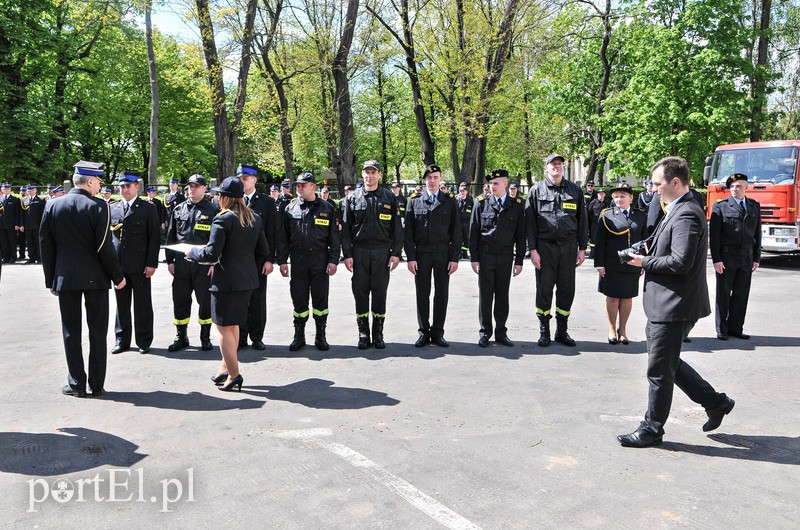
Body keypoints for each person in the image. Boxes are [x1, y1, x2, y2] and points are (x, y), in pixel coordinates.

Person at [618, 156, 735, 448]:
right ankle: (716, 402)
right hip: (665, 303)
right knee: (666, 362)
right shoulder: (676, 208)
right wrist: (643, 248)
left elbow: (681, 262)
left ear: (675, 182)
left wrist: (644, 261)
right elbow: (663, 243)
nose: (653, 189)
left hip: (674, 305)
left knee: (659, 369)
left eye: (658, 184)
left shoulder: (687, 214)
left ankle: (652, 428)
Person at [40, 161, 126, 397]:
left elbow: (46, 245)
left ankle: (77, 383)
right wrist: (117, 277)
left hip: (65, 278)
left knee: (71, 332)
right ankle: (96, 384)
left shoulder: (53, 205)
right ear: (90, 181)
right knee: (97, 332)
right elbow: (104, 247)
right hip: (95, 279)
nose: (100, 185)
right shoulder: (99, 206)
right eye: (98, 181)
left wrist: (51, 280)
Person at [186, 177, 270, 392]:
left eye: (219, 195)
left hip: (225, 281)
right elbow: (262, 251)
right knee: (233, 326)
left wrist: (191, 252)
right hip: (247, 281)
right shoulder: (254, 218)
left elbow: (211, 253)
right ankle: (225, 367)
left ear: (225, 198)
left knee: (223, 328)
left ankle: (234, 375)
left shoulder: (223, 219)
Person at [526, 153, 589, 347]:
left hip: (568, 247)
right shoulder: (536, 191)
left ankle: (562, 331)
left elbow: (583, 222)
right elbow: (530, 224)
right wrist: (533, 250)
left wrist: (582, 248)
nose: (557, 167)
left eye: (560, 164)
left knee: (566, 289)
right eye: (553, 164)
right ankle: (544, 330)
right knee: (544, 289)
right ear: (546, 167)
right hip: (544, 247)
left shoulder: (574, 190)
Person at [341, 160, 403, 349]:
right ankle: (363, 333)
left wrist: (396, 253)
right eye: (366, 172)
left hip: (382, 251)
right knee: (360, 293)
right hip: (359, 251)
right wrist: (348, 254)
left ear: (379, 175)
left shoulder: (388, 197)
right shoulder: (353, 198)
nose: (369, 175)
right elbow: (345, 230)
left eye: (373, 172)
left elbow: (396, 229)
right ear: (362, 174)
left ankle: (378, 333)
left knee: (379, 292)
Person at [277, 172, 340, 351]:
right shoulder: (290, 209)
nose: (299, 188)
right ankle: (299, 335)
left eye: (303, 185)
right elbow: (283, 238)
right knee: (299, 299)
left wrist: (334, 260)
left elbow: (334, 237)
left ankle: (320, 335)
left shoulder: (327, 208)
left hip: (320, 260)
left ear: (313, 187)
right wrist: (282, 261)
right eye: (297, 185)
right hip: (298, 260)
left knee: (320, 300)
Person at [405, 164, 461, 347]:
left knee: (441, 294)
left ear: (440, 178)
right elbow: (408, 233)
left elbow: (456, 232)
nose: (432, 181)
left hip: (443, 254)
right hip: (421, 254)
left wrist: (454, 258)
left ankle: (438, 332)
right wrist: (411, 257)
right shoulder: (414, 201)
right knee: (422, 293)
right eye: (429, 178)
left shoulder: (450, 201)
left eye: (435, 177)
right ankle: (423, 332)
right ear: (424, 180)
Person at [469, 169, 525, 347]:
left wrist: (519, 261)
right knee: (486, 295)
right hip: (485, 256)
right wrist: (474, 258)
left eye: (496, 183)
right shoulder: (481, 203)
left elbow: (520, 235)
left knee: (502, 295)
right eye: (491, 184)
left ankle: (501, 332)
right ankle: (485, 332)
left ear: (505, 184)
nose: (492, 187)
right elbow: (473, 232)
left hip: (505, 256)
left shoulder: (516, 205)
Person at [165, 174, 219, 352]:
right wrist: (170, 260)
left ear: (205, 189)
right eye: (190, 186)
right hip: (181, 263)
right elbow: (171, 236)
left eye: (196, 186)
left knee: (204, 301)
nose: (192, 189)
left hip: (203, 264)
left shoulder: (213, 211)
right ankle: (181, 336)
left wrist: (214, 263)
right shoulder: (178, 209)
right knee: (180, 299)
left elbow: (217, 241)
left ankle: (205, 336)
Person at [109, 170, 160, 354]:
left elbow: (154, 238)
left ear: (136, 186)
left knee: (143, 304)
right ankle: (122, 340)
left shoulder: (147, 208)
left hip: (140, 265)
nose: (124, 190)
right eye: (121, 186)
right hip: (119, 266)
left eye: (128, 186)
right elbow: (109, 239)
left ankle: (144, 341)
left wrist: (151, 263)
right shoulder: (112, 208)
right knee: (121, 304)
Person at [709, 173, 761, 340]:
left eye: (738, 186)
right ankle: (721, 329)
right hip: (726, 256)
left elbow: (757, 233)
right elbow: (714, 236)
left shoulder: (753, 206)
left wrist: (757, 257)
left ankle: (736, 328)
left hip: (746, 256)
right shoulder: (721, 206)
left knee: (741, 294)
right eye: (731, 186)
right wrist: (716, 258)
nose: (734, 189)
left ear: (746, 187)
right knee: (723, 294)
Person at [593, 184, 646, 345]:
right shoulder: (607, 215)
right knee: (613, 297)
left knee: (627, 297)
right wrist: (599, 263)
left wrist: (644, 261)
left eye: (622, 196)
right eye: (616, 196)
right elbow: (599, 241)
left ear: (631, 198)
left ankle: (622, 329)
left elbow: (645, 240)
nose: (618, 199)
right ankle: (611, 328)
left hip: (633, 262)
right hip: (612, 263)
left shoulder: (640, 215)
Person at [238, 163, 277, 350]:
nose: (242, 181)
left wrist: (270, 259)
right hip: (237, 260)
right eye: (240, 179)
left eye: (245, 178)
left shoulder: (267, 202)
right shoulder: (233, 200)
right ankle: (241, 336)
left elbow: (272, 233)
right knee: (240, 299)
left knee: (258, 299)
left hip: (259, 259)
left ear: (254, 180)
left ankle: (257, 336)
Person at [20, 184, 44, 263]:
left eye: (32, 190)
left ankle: (39, 257)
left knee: (37, 241)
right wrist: (22, 224)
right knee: (29, 242)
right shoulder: (24, 200)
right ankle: (31, 258)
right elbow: (22, 214)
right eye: (29, 191)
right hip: (27, 225)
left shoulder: (40, 200)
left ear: (36, 190)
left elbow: (42, 214)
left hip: (37, 225)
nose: (30, 192)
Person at [0, 183, 21, 263]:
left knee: (12, 242)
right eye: (4, 189)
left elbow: (17, 213)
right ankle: (6, 257)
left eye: (8, 189)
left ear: (10, 190)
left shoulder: (15, 200)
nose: (6, 190)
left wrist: (17, 224)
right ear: (2, 190)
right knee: (4, 242)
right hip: (1, 225)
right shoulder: (0, 199)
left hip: (11, 225)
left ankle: (13, 257)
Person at [587, 188, 608, 253]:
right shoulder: (593, 202)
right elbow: (589, 213)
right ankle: (592, 252)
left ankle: (601, 252)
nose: (601, 195)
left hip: (604, 224)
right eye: (600, 194)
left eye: (602, 194)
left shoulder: (607, 203)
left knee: (603, 238)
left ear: (604, 195)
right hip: (594, 224)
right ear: (597, 194)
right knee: (593, 239)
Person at [455, 182, 473, 260]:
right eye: (461, 190)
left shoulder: (470, 200)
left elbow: (472, 211)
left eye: (464, 190)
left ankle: (465, 253)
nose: (462, 192)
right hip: (458, 222)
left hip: (467, 222)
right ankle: (458, 253)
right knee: (458, 238)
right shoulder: (456, 199)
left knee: (466, 238)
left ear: (467, 191)